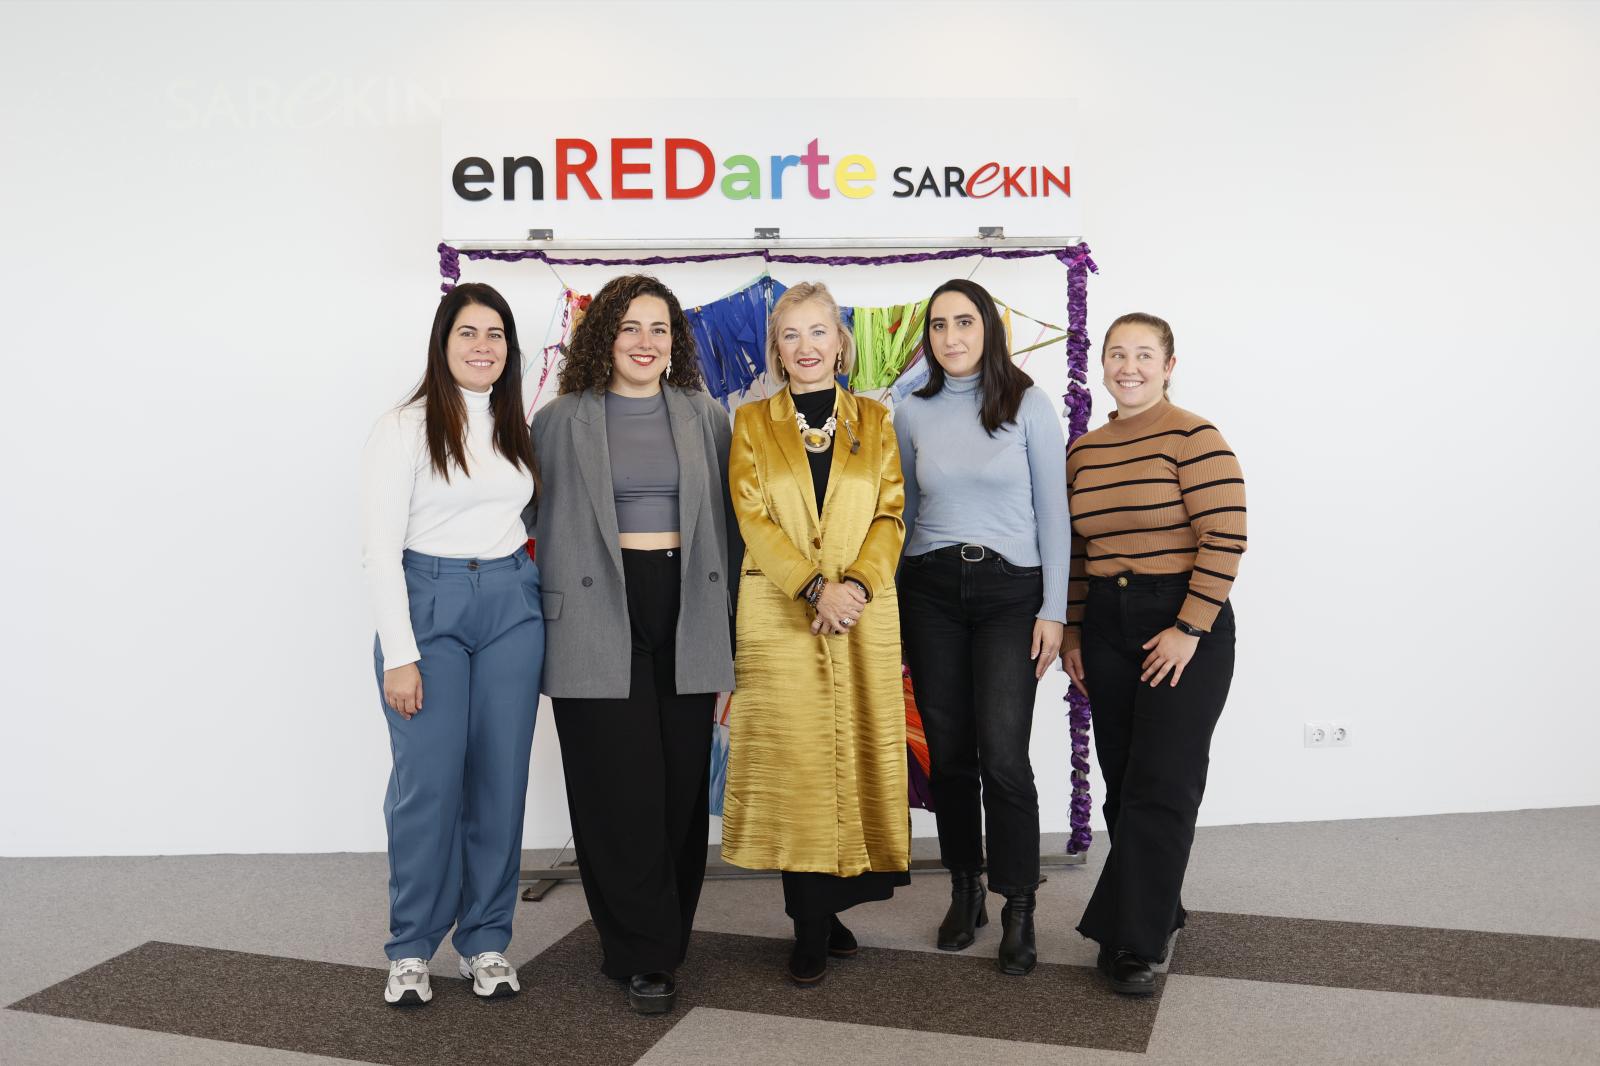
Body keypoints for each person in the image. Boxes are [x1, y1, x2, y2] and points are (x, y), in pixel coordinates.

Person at [530, 274, 737, 1015]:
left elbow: (733, 534)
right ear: (602, 337)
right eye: (630, 327)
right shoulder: (558, 421)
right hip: (592, 616)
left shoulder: (706, 417)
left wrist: (736, 640)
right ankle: (639, 952)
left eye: (660, 329)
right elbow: (514, 517)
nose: (646, 343)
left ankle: (662, 938)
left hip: (685, 608)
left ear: (675, 342)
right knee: (617, 791)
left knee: (679, 788)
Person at [719, 282, 910, 985]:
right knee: (799, 764)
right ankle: (807, 924)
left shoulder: (875, 419)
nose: (805, 347)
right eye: (791, 335)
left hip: (861, 614)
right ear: (777, 348)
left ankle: (830, 911)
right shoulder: (751, 421)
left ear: (841, 341)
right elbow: (752, 517)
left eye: (818, 332)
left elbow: (890, 514)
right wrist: (813, 587)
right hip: (780, 611)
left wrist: (854, 586)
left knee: (854, 755)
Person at [360, 282, 544, 1006]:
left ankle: (487, 941)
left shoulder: (510, 421)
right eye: (467, 333)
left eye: (495, 334)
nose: (482, 346)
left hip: (510, 606)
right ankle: (409, 948)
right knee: (428, 786)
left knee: (500, 782)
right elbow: (378, 549)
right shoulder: (403, 426)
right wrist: (400, 653)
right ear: (442, 344)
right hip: (427, 603)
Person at [1061, 312, 1246, 995]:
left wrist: (1189, 629)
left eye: (1144, 354)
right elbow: (1079, 554)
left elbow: (1225, 534)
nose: (1128, 366)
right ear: (1101, 364)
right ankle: (1157, 902)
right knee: (1124, 780)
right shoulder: (1085, 451)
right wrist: (1077, 631)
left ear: (1170, 365)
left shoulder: (1195, 436)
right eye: (1116, 353)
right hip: (1108, 623)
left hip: (1181, 620)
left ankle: (1131, 943)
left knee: (1162, 783)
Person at [894, 278, 1069, 976]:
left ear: (989, 330)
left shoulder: (1028, 404)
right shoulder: (911, 411)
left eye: (964, 323)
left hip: (1009, 593)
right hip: (930, 589)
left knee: (1002, 754)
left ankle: (1018, 905)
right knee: (951, 754)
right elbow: (901, 515)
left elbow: (1054, 514)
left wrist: (1053, 610)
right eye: (939, 326)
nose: (952, 337)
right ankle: (965, 890)